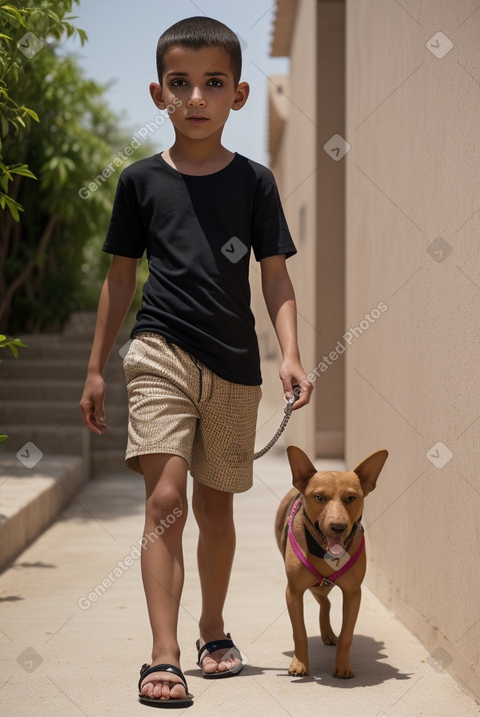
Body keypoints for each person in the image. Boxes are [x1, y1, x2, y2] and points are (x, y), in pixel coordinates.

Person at [80, 15, 312, 708]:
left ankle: (212, 627)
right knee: (167, 500)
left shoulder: (256, 183)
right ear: (159, 94)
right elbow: (121, 279)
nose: (196, 97)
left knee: (216, 507)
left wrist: (292, 352)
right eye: (180, 83)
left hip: (235, 363)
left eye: (213, 83)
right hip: (158, 352)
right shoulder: (139, 182)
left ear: (239, 94)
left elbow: (274, 276)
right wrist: (95, 368)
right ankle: (164, 653)